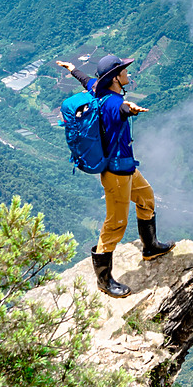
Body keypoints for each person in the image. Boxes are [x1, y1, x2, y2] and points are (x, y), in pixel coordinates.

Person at [56, 53, 175, 298]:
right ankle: (104, 280)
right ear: (115, 78)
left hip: (128, 166)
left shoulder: (99, 89)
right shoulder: (113, 103)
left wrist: (73, 69)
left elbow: (88, 81)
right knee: (116, 224)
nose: (127, 74)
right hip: (117, 173)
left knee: (147, 199)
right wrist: (129, 109)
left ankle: (150, 247)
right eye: (124, 71)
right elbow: (121, 109)